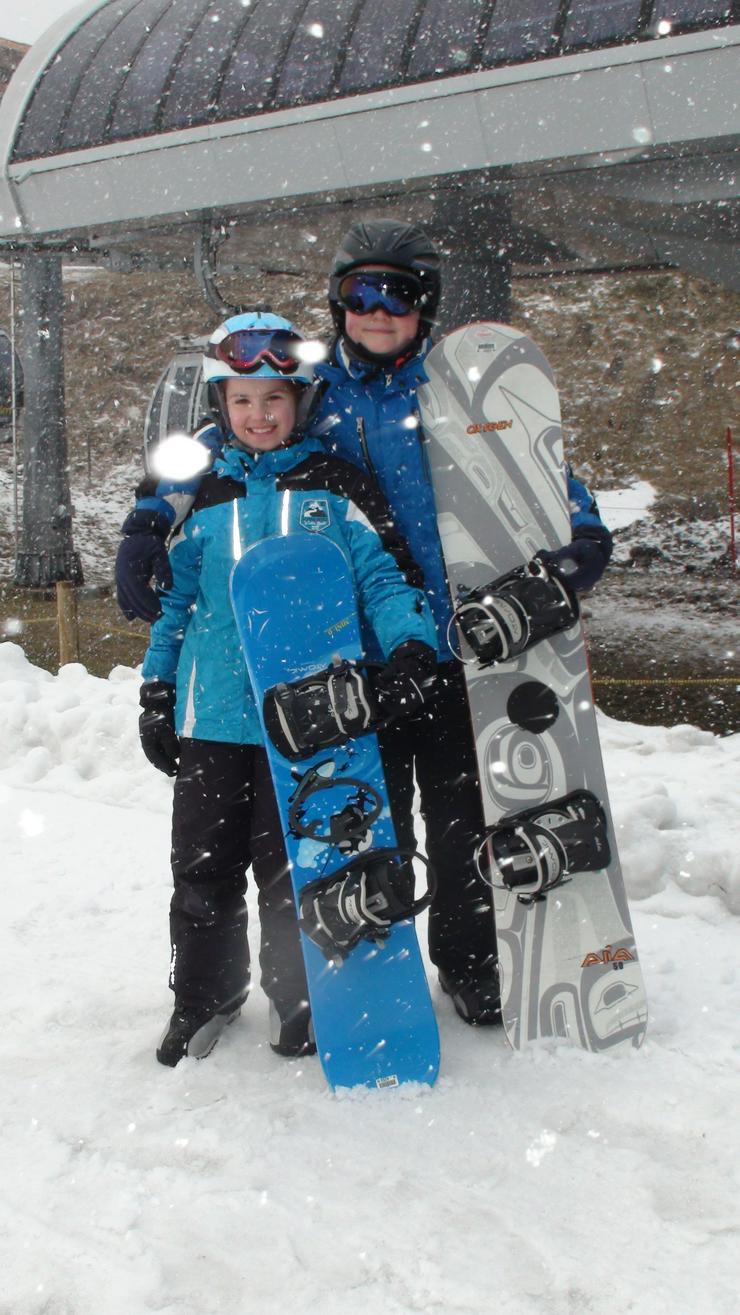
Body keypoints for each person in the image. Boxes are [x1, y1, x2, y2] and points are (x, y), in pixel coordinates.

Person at [118, 220, 613, 1027]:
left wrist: (580, 528)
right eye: (359, 294)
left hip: (455, 643)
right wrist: (150, 515)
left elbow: (538, 464)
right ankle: (362, 975)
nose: (377, 312)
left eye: (399, 295)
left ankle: (469, 960)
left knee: (460, 820)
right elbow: (218, 437)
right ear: (337, 301)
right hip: (343, 656)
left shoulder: (456, 389)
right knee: (357, 831)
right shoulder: (312, 388)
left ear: (427, 306)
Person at [140, 310, 437, 1066]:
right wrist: (155, 690)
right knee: (202, 871)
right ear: (221, 407)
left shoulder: (336, 485)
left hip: (305, 724)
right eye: (242, 400)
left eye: (274, 398)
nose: (259, 414)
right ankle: (204, 995)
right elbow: (175, 609)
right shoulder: (202, 498)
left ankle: (299, 999)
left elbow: (384, 578)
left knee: (291, 873)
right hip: (213, 720)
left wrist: (410, 646)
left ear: (300, 402)